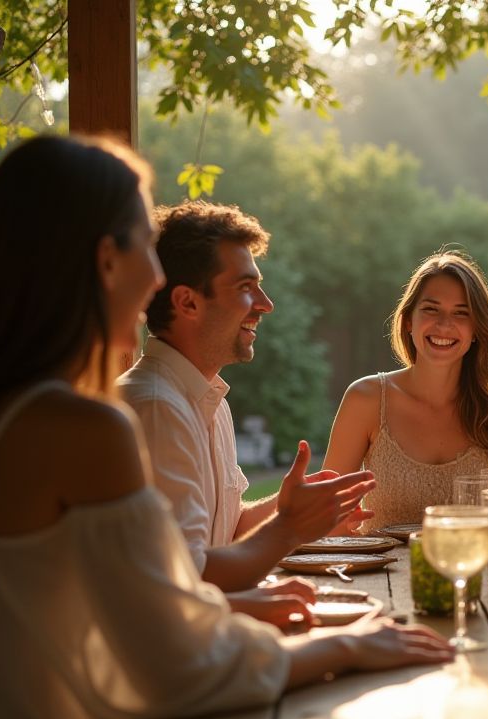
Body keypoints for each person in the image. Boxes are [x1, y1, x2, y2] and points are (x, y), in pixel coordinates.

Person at [0, 135, 453, 719]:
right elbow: (172, 664)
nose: (157, 277)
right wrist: (349, 647)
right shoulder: (86, 425)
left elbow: (123, 603)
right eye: (145, 245)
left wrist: (284, 525)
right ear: (106, 260)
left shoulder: (5, 408)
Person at [118, 201, 375, 618]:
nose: (265, 303)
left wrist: (285, 506)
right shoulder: (155, 409)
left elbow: (227, 531)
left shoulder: (206, 399)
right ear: (187, 303)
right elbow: (187, 578)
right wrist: (290, 529)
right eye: (245, 287)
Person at [322, 249, 488, 528]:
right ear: (408, 322)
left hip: (475, 571)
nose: (444, 325)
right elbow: (323, 520)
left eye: (461, 313)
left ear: (476, 330)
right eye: (431, 309)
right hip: (382, 573)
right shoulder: (365, 399)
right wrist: (338, 527)